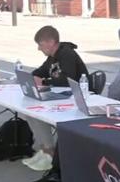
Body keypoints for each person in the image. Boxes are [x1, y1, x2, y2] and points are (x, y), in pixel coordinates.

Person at [22, 25, 89, 173]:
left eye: (40, 44)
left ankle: (50, 152)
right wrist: (33, 76)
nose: (39, 49)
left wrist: (44, 82)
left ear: (51, 42)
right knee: (28, 111)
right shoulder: (52, 57)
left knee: (39, 113)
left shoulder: (67, 55)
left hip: (74, 98)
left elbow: (67, 81)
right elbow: (41, 71)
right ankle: (43, 148)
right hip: (61, 96)